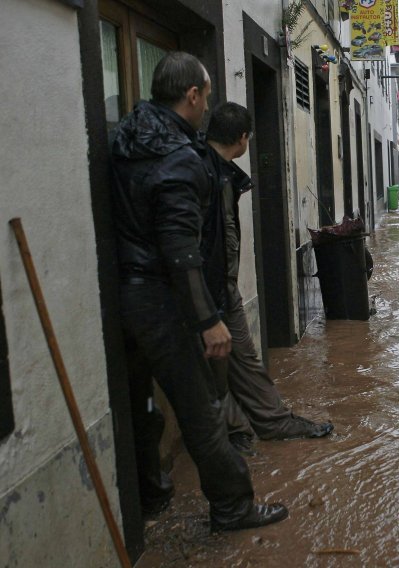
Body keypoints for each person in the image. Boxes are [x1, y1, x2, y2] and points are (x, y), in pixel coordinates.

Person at [110, 51, 287, 531]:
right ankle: (233, 507)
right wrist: (208, 319)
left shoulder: (126, 137)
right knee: (203, 409)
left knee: (142, 404)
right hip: (162, 299)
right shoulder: (179, 158)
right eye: (206, 95)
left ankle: (152, 493)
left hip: (122, 295)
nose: (208, 105)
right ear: (192, 95)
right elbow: (179, 246)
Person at [201, 102, 334, 453]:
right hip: (203, 294)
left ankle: (273, 423)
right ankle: (234, 435)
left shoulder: (220, 172)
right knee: (209, 373)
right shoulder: (202, 173)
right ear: (243, 139)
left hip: (222, 289)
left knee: (243, 359)